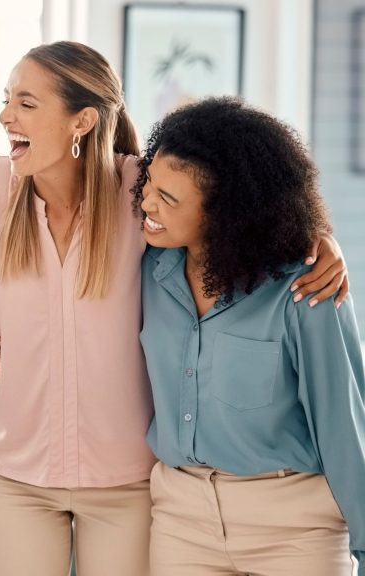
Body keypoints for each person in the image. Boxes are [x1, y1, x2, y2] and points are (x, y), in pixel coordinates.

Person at [0, 41, 351, 576]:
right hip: (13, 476)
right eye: (6, 101)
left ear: (83, 121)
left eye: (26, 103)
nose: (6, 117)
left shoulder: (139, 192)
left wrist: (318, 239)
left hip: (126, 480)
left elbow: (236, 209)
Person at [137, 96, 365, 575]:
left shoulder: (305, 290)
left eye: (169, 199)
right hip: (182, 521)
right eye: (149, 184)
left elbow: (346, 429)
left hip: (295, 530)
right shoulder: (146, 265)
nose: (147, 203)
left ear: (228, 215)